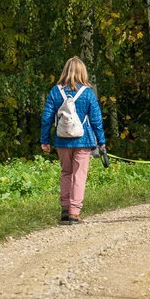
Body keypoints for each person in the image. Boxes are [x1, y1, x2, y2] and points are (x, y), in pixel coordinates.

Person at [40, 57, 106, 224]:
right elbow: (96, 119)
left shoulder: (55, 91)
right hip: (83, 140)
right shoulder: (88, 93)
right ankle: (74, 212)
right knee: (79, 174)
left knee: (66, 172)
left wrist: (45, 140)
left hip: (62, 140)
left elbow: (47, 117)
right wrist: (101, 140)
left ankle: (64, 209)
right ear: (82, 72)